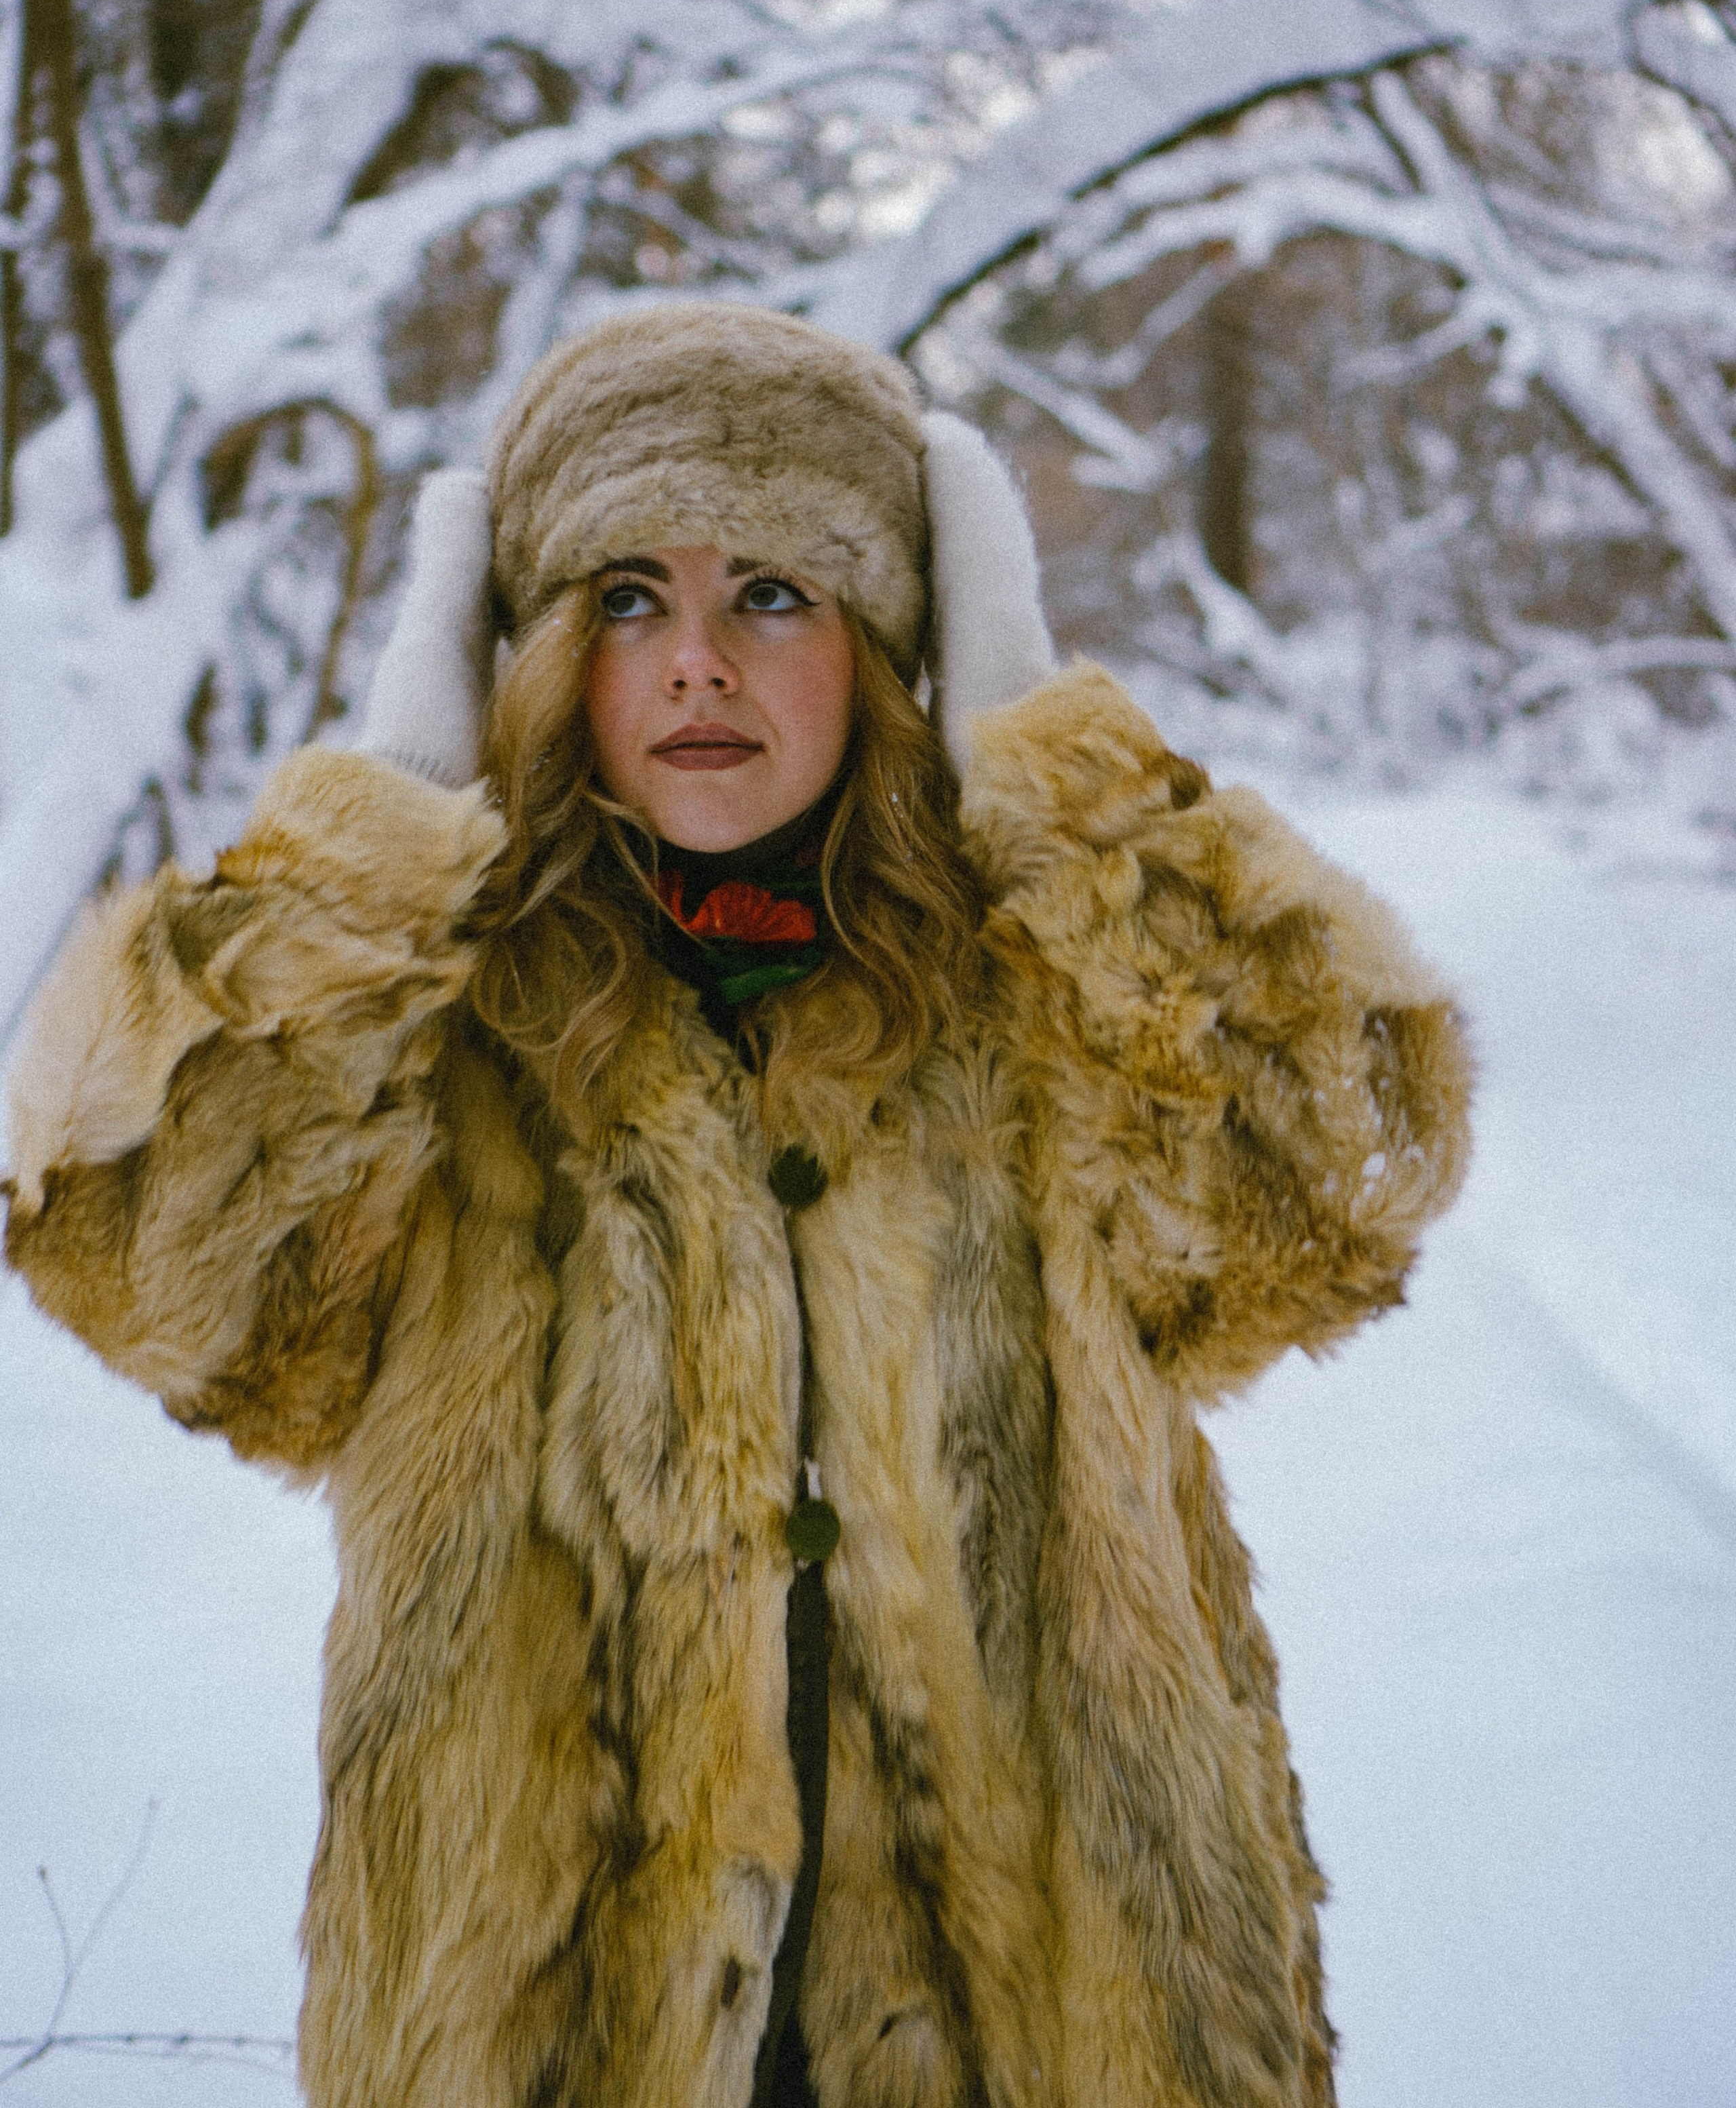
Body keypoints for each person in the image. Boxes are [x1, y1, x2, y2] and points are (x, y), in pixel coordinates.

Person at [3, 303, 1472, 2108]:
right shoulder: (430, 1040)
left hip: (1069, 2027)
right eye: (627, 599)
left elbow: (1346, 1176)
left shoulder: (1051, 1001)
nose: (697, 663)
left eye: (773, 592)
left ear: (880, 645)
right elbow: (128, 1243)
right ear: (545, 652)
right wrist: (378, 823)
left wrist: (1061, 773)